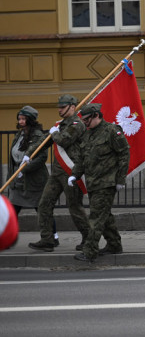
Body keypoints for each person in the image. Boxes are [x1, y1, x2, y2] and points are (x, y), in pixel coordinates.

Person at [31, 95, 91, 252]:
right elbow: (44, 142)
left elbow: (64, 140)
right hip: (57, 172)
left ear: (72, 107)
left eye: (63, 107)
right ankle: (47, 239)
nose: (59, 109)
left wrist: (54, 133)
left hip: (71, 171)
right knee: (44, 204)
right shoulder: (60, 125)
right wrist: (29, 154)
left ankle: (89, 239)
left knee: (75, 207)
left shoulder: (77, 124)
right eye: (59, 106)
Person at [71, 103, 130, 263]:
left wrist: (120, 179)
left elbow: (124, 154)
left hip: (107, 182)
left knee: (96, 217)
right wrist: (75, 175)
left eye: (87, 119)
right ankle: (114, 245)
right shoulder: (88, 134)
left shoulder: (111, 131)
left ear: (96, 115)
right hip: (93, 182)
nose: (85, 123)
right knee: (105, 215)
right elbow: (82, 158)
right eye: (83, 120)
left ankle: (90, 251)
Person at [8, 106, 47, 221]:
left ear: (30, 120)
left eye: (23, 119)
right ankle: (8, 231)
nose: (20, 121)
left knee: (42, 212)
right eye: (19, 118)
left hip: (33, 181)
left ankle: (50, 232)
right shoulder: (20, 134)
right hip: (18, 180)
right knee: (12, 212)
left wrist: (25, 169)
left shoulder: (38, 135)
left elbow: (42, 157)